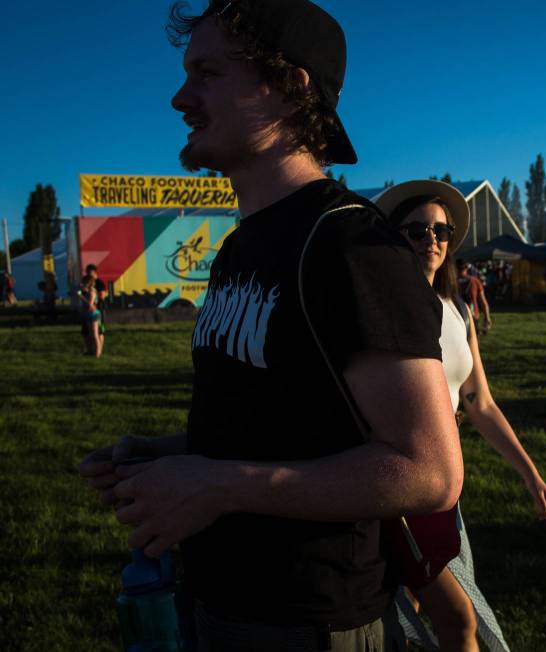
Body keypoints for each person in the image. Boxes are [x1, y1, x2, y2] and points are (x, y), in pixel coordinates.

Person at [78, 3, 462, 650]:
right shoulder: (239, 247)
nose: (180, 98)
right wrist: (167, 454)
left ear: (289, 88)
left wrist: (216, 486)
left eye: (207, 73)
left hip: (311, 623)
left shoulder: (349, 244)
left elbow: (429, 471)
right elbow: (279, 426)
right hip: (220, 602)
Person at [376, 180, 546, 652]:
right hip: (403, 480)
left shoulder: (457, 309)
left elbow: (480, 401)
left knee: (411, 608)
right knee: (459, 618)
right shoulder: (382, 309)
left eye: (441, 230)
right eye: (417, 231)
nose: (431, 240)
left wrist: (530, 473)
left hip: (445, 481)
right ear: (394, 238)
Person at [457, 259, 492, 336]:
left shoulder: (451, 282)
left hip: (456, 316)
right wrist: (487, 318)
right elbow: (483, 302)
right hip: (473, 316)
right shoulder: (475, 281)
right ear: (467, 268)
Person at [81, 264, 107, 355]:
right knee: (86, 332)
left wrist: (89, 296)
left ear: (95, 273)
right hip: (88, 312)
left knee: (99, 332)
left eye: (90, 273)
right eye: (87, 272)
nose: (88, 274)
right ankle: (91, 350)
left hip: (98, 310)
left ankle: (98, 351)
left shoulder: (99, 283)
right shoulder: (86, 284)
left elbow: (102, 296)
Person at [78, 275, 103, 358]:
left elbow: (90, 305)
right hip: (89, 314)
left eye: (84, 282)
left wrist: (81, 297)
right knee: (91, 335)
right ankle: (92, 351)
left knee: (95, 335)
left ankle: (97, 354)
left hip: (93, 315)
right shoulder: (89, 290)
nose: (82, 284)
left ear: (88, 283)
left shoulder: (92, 291)